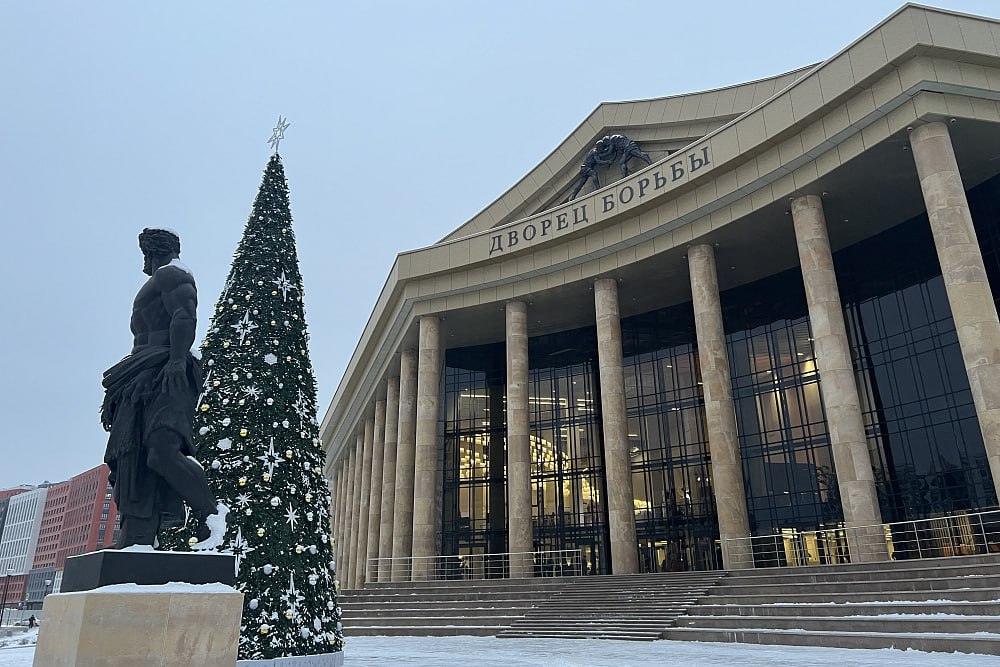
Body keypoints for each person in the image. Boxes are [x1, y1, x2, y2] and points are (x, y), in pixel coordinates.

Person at [101, 228, 227, 550]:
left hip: (167, 371)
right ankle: (136, 537)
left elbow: (184, 315)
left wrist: (176, 360)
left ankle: (211, 516)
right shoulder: (155, 282)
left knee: (161, 451)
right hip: (140, 374)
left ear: (154, 251)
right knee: (135, 455)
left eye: (145, 253)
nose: (143, 261)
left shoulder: (174, 274)